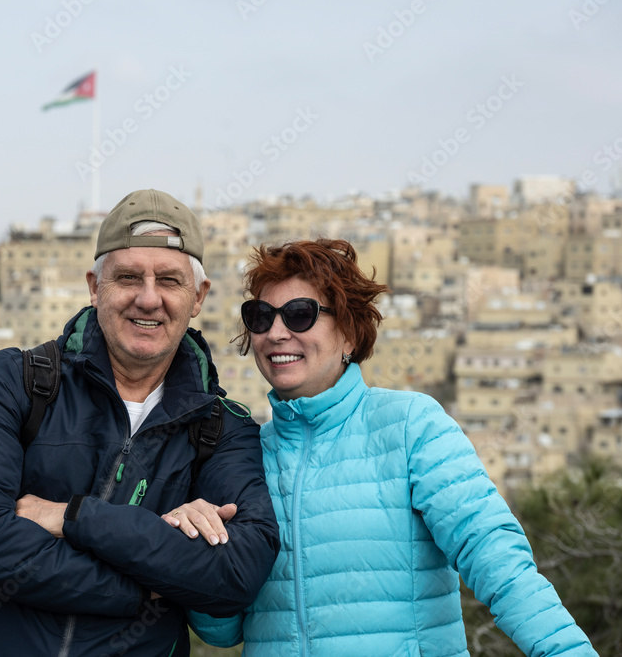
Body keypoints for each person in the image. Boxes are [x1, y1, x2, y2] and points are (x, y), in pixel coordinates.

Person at [0, 189, 279, 657]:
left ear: (198, 297)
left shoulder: (222, 429)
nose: (148, 298)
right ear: (94, 287)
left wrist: (69, 516)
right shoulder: (14, 381)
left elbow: (235, 575)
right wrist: (147, 585)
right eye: (127, 277)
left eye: (170, 281)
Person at [171, 239, 596, 655]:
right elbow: (223, 632)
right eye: (260, 316)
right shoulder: (244, 455)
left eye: (300, 315)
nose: (276, 333)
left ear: (350, 334)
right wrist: (200, 546)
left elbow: (497, 561)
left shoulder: (410, 426)